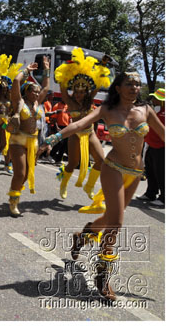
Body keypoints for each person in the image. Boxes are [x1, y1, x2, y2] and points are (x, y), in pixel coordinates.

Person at [40, 71, 164, 301]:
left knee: (109, 218)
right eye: (129, 83)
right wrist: (50, 140)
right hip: (113, 168)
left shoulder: (146, 110)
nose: (135, 87)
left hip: (136, 173)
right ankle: (102, 274)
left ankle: (84, 235)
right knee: (116, 222)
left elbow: (165, 136)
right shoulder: (107, 109)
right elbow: (79, 124)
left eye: (137, 84)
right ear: (118, 87)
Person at [53, 48, 111, 200]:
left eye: (81, 92)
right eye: (76, 92)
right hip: (74, 136)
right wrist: (65, 74)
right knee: (72, 164)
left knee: (101, 161)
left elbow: (97, 84)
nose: (78, 95)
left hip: (90, 133)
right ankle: (64, 183)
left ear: (86, 93)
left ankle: (89, 186)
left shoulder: (89, 101)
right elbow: (63, 89)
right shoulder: (70, 102)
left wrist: (103, 65)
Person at [7, 56, 51, 217]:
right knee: (20, 173)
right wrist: (26, 71)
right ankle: (13, 202)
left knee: (25, 175)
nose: (37, 93)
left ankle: (14, 193)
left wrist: (46, 68)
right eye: (34, 91)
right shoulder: (19, 102)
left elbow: (46, 86)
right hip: (18, 140)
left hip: (33, 142)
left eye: (38, 92)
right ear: (27, 92)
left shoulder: (37, 103)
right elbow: (16, 82)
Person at [136, 88, 165, 207]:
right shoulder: (158, 112)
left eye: (156, 98)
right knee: (151, 171)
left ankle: (164, 198)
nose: (153, 100)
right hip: (152, 146)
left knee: (161, 172)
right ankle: (150, 193)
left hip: (162, 147)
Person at [50, 99, 70, 165]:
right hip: (59, 126)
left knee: (65, 144)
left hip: (66, 127)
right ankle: (51, 155)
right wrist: (57, 127)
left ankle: (58, 160)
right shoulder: (57, 106)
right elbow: (54, 118)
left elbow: (70, 116)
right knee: (59, 142)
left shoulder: (68, 106)